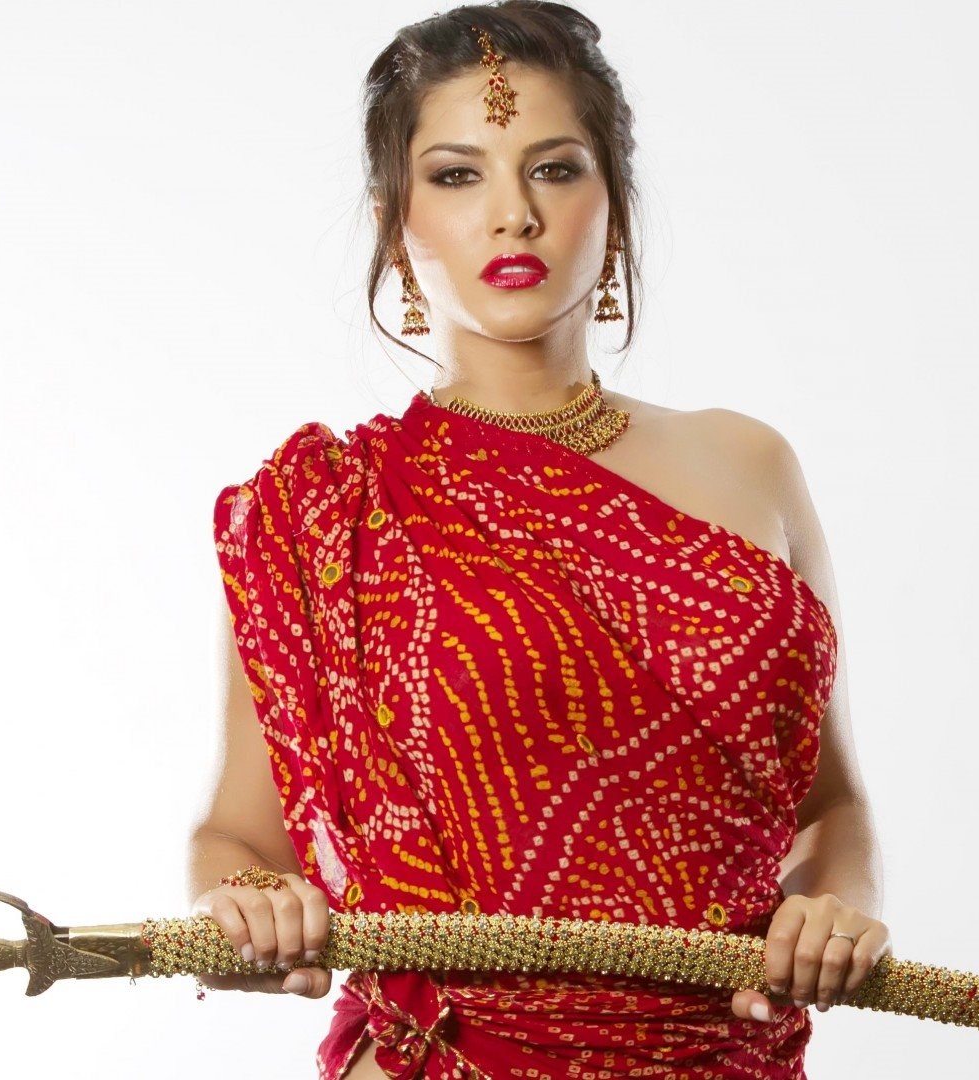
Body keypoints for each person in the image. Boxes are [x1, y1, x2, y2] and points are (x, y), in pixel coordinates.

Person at [184, 3, 889, 1076]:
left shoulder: (751, 465)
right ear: (395, 221)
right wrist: (243, 907)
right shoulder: (329, 514)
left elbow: (831, 806)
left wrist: (835, 909)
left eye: (554, 170)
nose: (512, 214)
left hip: (725, 1052)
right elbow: (236, 838)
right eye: (457, 176)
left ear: (615, 202)